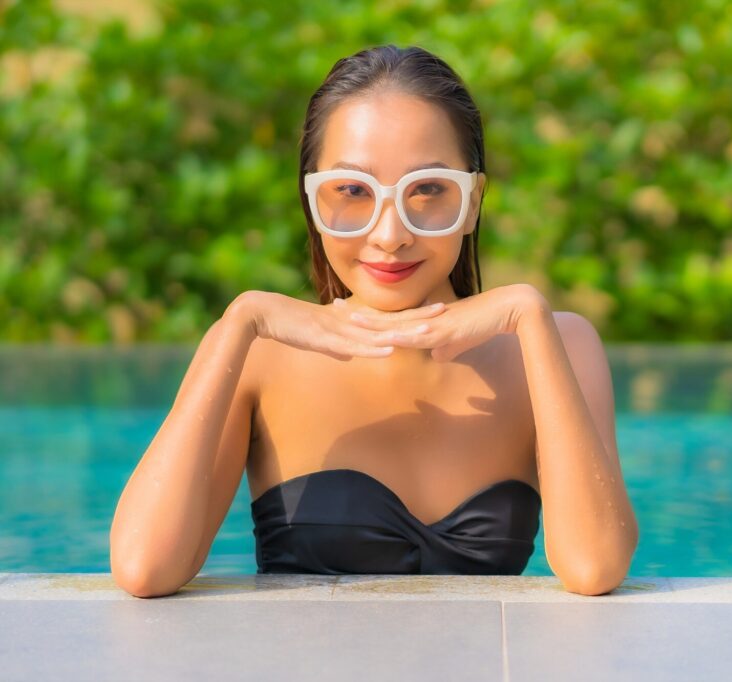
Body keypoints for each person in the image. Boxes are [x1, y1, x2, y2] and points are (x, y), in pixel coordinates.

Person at [109, 44, 638, 598]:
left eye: (429, 189)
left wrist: (529, 315)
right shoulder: (259, 353)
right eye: (353, 192)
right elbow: (145, 568)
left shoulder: (555, 345)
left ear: (473, 200)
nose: (390, 234)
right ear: (312, 198)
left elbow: (594, 567)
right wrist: (240, 322)